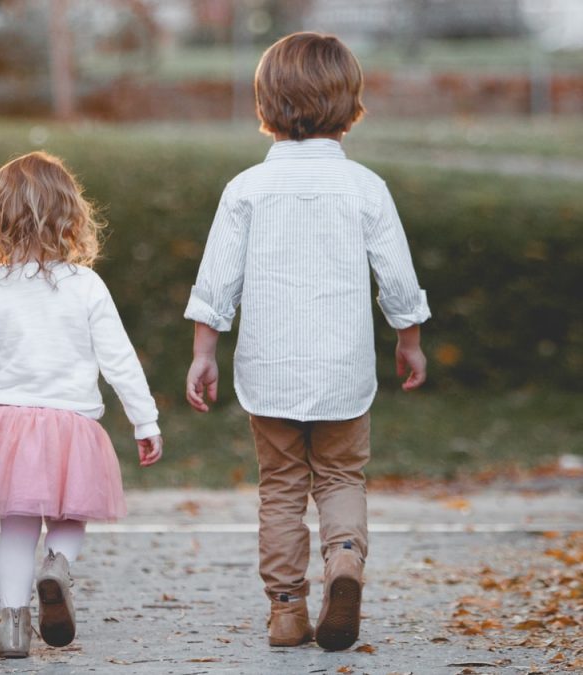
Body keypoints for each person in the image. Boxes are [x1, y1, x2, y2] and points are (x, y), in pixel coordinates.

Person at [184, 32, 430, 651]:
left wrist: (204, 352)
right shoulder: (365, 188)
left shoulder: (245, 189)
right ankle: (344, 560)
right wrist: (410, 340)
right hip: (343, 372)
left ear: (266, 103)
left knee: (282, 488)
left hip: (270, 372)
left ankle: (287, 610)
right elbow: (397, 278)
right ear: (350, 104)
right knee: (343, 476)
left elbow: (216, 282)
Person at [0, 151, 163, 659]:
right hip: (72, 426)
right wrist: (145, 420)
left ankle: (12, 628)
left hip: (6, 429)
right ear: (71, 216)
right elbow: (120, 361)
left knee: (16, 527)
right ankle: (58, 567)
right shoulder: (86, 285)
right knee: (71, 515)